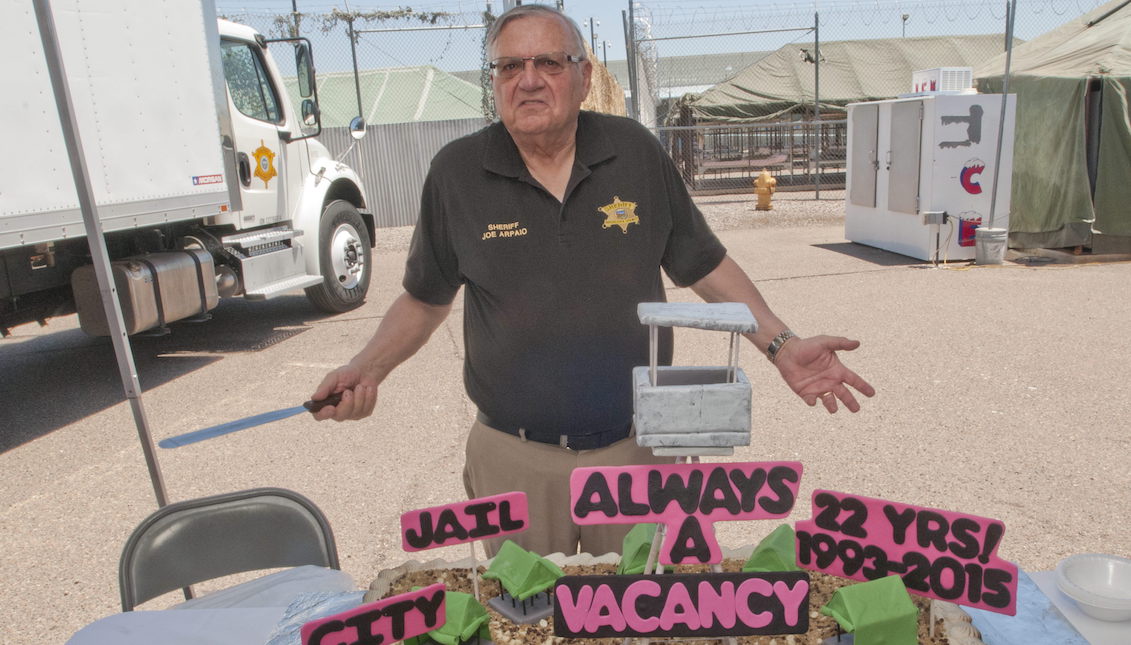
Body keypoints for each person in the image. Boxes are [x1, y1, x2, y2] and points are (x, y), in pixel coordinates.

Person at [312, 4, 874, 557]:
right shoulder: (457, 172)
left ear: (583, 78)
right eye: (509, 67)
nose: (527, 81)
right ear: (495, 83)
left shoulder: (633, 152)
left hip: (639, 448)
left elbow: (705, 264)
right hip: (513, 455)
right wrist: (367, 370)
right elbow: (424, 299)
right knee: (526, 616)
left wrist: (781, 345)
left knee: (645, 611)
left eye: (548, 63)